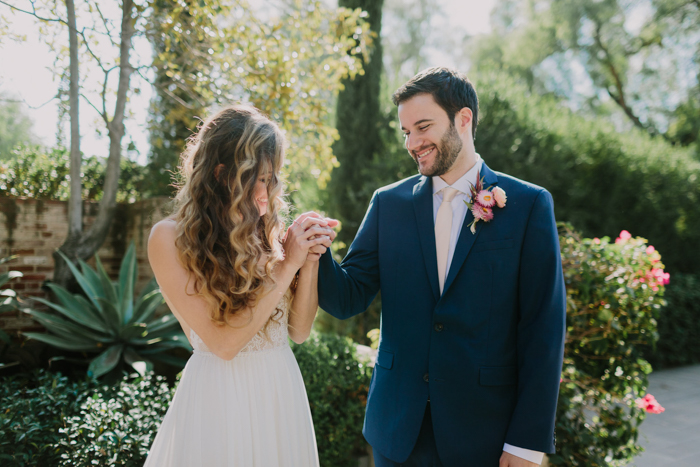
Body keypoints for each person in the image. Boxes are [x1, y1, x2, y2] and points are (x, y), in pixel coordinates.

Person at [317, 67, 566, 466]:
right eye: (405, 132)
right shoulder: (388, 205)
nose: (412, 143)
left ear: (463, 119)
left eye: (422, 127)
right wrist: (315, 252)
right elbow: (348, 297)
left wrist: (526, 443)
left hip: (486, 433)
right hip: (397, 433)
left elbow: (543, 328)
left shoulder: (528, 205)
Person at [145, 104, 335, 466]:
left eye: (272, 178)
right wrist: (288, 264)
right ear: (221, 174)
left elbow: (298, 331)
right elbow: (225, 343)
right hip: (219, 401)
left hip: (280, 393)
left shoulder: (267, 230)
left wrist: (307, 261)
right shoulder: (169, 238)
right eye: (259, 178)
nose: (268, 191)